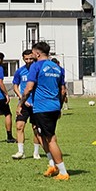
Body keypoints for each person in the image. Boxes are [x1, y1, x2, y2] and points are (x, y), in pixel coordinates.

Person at [16, 42, 69, 181]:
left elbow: (28, 88)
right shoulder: (57, 68)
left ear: (37, 53)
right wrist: (60, 106)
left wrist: (21, 103)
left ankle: (62, 171)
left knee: (50, 139)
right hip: (54, 106)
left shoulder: (36, 66)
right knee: (41, 134)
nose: (32, 56)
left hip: (41, 108)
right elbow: (63, 90)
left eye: (33, 53)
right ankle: (52, 164)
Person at [11, 50, 41, 159]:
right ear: (23, 58)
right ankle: (20, 152)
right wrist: (21, 98)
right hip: (23, 103)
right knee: (19, 126)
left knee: (36, 128)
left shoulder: (38, 71)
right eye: (26, 59)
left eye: (30, 59)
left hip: (36, 104)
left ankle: (36, 152)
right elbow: (15, 86)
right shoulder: (20, 71)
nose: (28, 61)